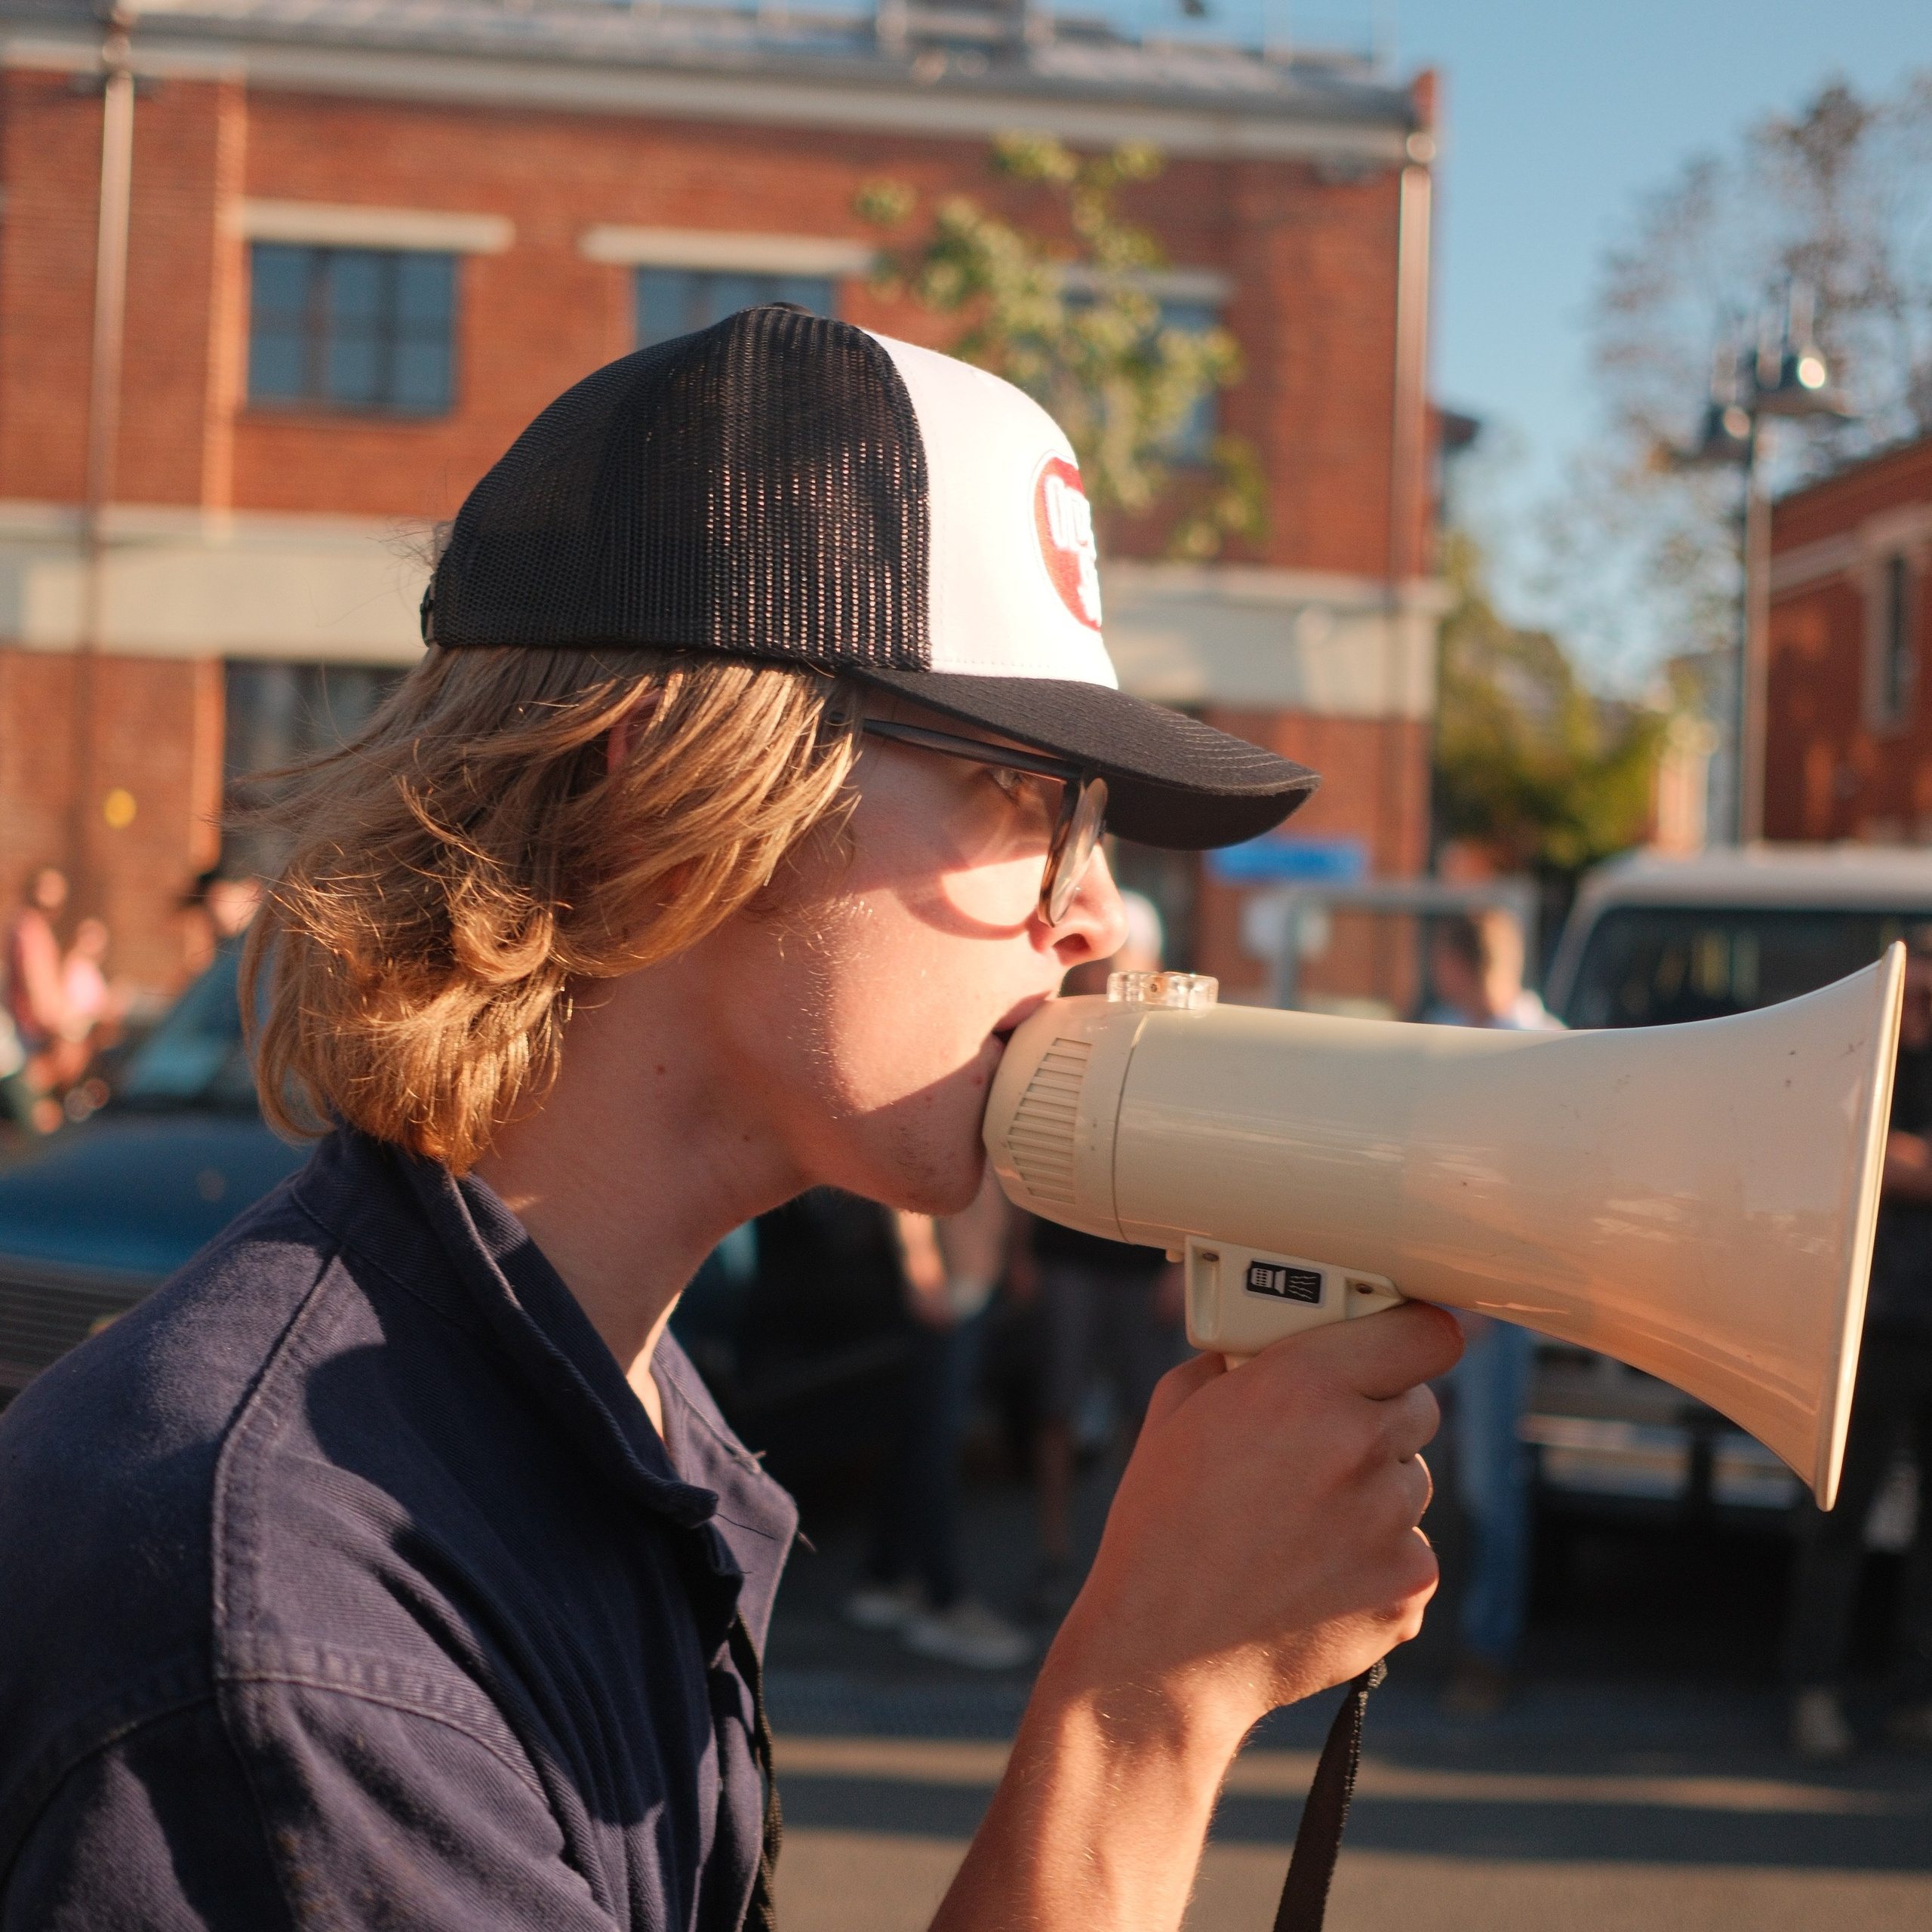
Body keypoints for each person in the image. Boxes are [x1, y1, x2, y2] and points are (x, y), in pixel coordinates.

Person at [0, 308, 1456, 1930]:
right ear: (670, 800)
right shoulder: (296, 1621)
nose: (1098, 912)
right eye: (1026, 796)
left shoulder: (581, 1407)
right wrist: (1138, 1718)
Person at [1015, 890, 1188, 1619]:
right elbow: (1024, 1132)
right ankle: (1057, 1558)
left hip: (1142, 1264)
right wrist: (1020, 1251)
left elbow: (1197, 1158)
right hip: (1067, 1253)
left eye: (1130, 966)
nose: (1116, 979)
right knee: (1054, 1407)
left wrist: (1183, 1264)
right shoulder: (1061, 1029)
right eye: (1109, 967)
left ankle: (1124, 1568)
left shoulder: (1178, 1046)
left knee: (1146, 1421)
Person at [1783, 938, 1932, 1761]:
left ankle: (1916, 1693)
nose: (1916, 1018)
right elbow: (1857, 1156)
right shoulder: (1861, 1070)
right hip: (1864, 1333)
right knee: (1834, 1517)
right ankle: (1812, 1690)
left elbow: (1889, 1163)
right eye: (1908, 1000)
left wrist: (1899, 1160)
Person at [1423, 908, 1561, 1717]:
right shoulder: (1462, 1034)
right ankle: (1449, 1640)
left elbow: (1531, 1199)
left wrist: (1477, 1294)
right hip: (1453, 1293)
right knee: (1433, 1478)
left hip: (1491, 1307)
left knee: (1488, 1489)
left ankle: (1488, 1649)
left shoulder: (1536, 1052)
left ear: (1454, 961)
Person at [847, 1171, 1032, 1670]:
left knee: (918, 1434)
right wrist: (920, 1267)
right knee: (935, 1442)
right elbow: (908, 1172)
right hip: (944, 1283)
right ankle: (941, 1600)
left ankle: (884, 1577)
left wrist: (1013, 1256)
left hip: (972, 1275)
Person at [2, 866, 74, 1134]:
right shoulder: (26, 929)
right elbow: (35, 989)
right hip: (29, 1036)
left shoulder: (39, 930)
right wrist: (57, 1027)